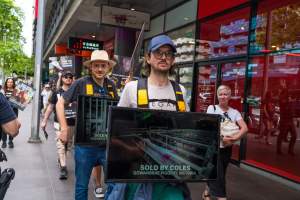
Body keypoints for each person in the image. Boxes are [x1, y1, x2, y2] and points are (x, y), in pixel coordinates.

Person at [107, 35, 189, 200]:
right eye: (158, 52)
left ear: (173, 60)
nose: (164, 57)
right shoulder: (132, 89)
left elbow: (184, 129)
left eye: (168, 54)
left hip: (170, 174)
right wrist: (129, 150)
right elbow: (115, 131)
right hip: (138, 173)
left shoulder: (180, 91)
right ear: (148, 58)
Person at [56, 50, 118, 200]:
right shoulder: (81, 83)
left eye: (103, 66)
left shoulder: (111, 86)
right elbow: (60, 103)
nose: (100, 69)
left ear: (108, 68)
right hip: (84, 146)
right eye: (96, 65)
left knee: (115, 185)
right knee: (82, 185)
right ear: (91, 67)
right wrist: (64, 128)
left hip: (106, 145)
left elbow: (118, 109)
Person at [203, 85, 248, 200]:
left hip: (227, 148)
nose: (223, 96)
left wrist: (233, 139)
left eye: (225, 94)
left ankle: (206, 192)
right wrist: (221, 136)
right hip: (213, 148)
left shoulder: (234, 112)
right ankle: (222, 197)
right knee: (219, 175)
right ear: (217, 96)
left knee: (220, 172)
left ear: (230, 96)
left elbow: (244, 128)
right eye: (221, 94)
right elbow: (209, 126)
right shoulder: (211, 108)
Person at [40, 71, 75, 180]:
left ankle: (61, 159)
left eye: (70, 77)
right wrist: (44, 120)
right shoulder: (56, 92)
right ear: (62, 78)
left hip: (72, 122)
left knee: (68, 145)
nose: (68, 78)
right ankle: (63, 168)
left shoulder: (76, 92)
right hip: (58, 123)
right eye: (66, 76)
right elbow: (50, 107)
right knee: (60, 144)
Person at [277, 79, 296, 155]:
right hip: (285, 118)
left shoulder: (287, 94)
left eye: (284, 82)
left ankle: (290, 150)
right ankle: (279, 150)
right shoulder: (282, 94)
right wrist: (289, 100)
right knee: (282, 134)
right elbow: (282, 101)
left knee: (294, 135)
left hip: (290, 118)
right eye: (282, 82)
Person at [1, 78, 19, 148]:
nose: (10, 83)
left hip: (14, 111)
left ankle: (10, 141)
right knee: (3, 127)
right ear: (6, 83)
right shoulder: (3, 91)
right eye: (8, 82)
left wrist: (25, 101)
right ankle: (4, 141)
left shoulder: (16, 91)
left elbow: (20, 101)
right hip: (4, 111)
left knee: (13, 125)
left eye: (11, 82)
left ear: (13, 83)